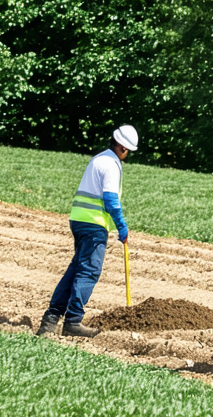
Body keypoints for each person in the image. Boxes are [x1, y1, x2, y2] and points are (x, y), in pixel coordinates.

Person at [38, 125, 139, 338]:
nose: (127, 154)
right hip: (94, 224)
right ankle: (73, 321)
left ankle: (50, 320)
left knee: (76, 269)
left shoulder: (98, 158)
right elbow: (111, 200)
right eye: (128, 150)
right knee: (88, 271)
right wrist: (121, 225)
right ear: (122, 147)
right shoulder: (112, 164)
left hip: (78, 220)